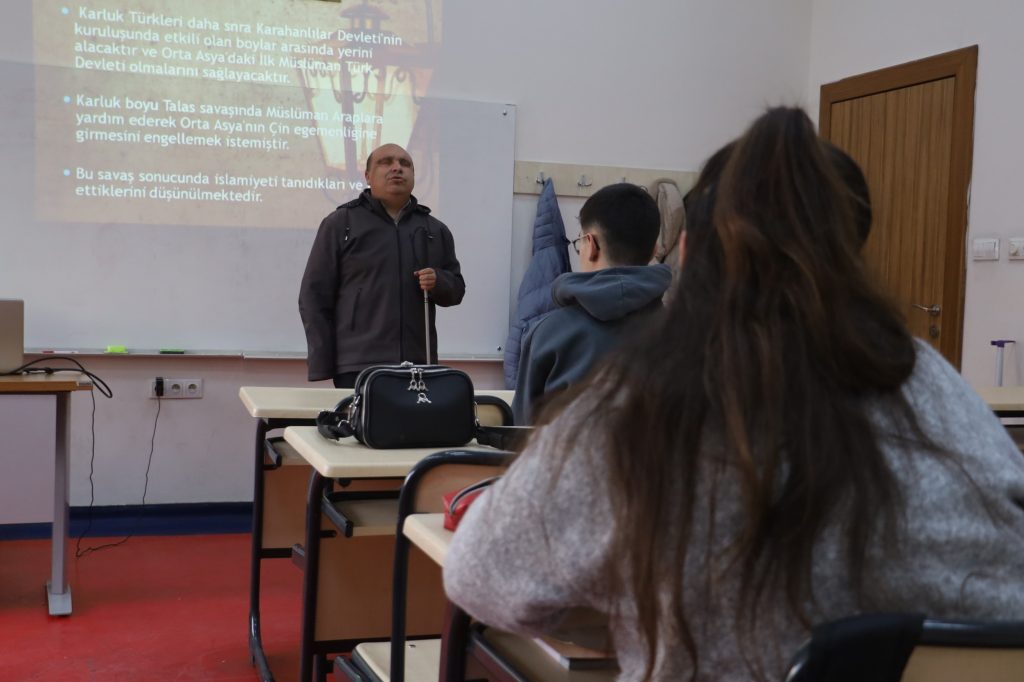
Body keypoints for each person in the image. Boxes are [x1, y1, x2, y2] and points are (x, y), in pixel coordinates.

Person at [444, 108, 1024, 680]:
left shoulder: (647, 396)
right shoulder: (935, 382)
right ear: (849, 256)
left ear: (688, 254)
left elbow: (480, 578)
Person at [298, 143, 465, 387]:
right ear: (367, 176)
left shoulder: (434, 230)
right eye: (386, 162)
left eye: (405, 163)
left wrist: (439, 281)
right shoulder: (340, 223)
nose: (397, 168)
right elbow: (313, 297)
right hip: (357, 366)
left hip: (419, 365)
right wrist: (323, 362)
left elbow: (457, 289)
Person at [512, 183, 671, 424]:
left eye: (579, 243)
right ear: (654, 251)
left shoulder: (548, 333)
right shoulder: (686, 335)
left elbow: (521, 432)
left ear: (591, 245)